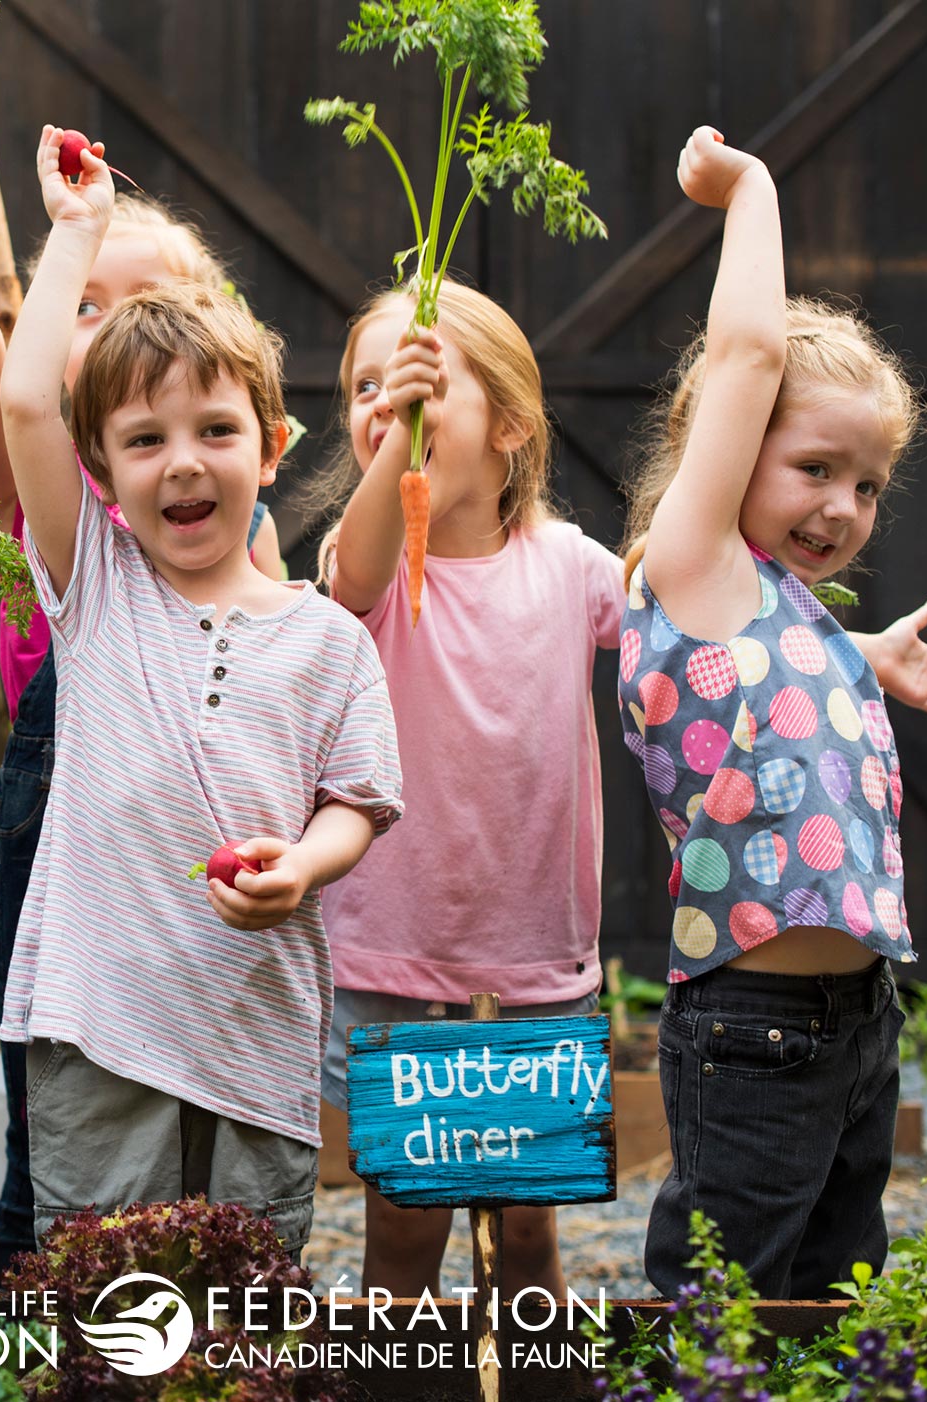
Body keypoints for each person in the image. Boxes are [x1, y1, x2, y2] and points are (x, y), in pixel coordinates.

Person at [0, 132, 280, 1279]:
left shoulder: (228, 505)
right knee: (65, 1098)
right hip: (71, 790)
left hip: (201, 811)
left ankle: (203, 1316)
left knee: (197, 1093)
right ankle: (46, 1307)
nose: (113, 325)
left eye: (150, 301)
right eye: (84, 304)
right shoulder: (63, 485)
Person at [0, 126, 403, 1258]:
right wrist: (74, 235)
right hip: (99, 1032)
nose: (183, 461)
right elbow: (27, 403)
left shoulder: (327, 639)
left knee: (246, 1306)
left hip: (253, 1036)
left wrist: (305, 866)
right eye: (145, 439)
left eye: (216, 431)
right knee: (102, 1304)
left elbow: (360, 800)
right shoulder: (96, 588)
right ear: (106, 468)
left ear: (271, 448)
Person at [619, 127, 927, 1298]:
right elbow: (741, 355)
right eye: (816, 466)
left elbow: (776, 685)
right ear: (724, 457)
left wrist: (861, 659)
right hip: (753, 1016)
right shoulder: (693, 564)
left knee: (838, 1282)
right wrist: (753, 193)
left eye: (869, 484)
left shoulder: (783, 613)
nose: (844, 505)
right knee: (725, 1287)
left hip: (855, 1011)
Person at [318, 281, 625, 1300]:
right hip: (395, 963)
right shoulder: (367, 570)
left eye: (418, 383)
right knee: (402, 1245)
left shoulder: (573, 567)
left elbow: (696, 624)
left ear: (509, 426)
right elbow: (354, 569)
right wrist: (398, 436)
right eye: (366, 385)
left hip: (535, 965)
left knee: (528, 1244)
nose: (385, 402)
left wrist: (852, 654)